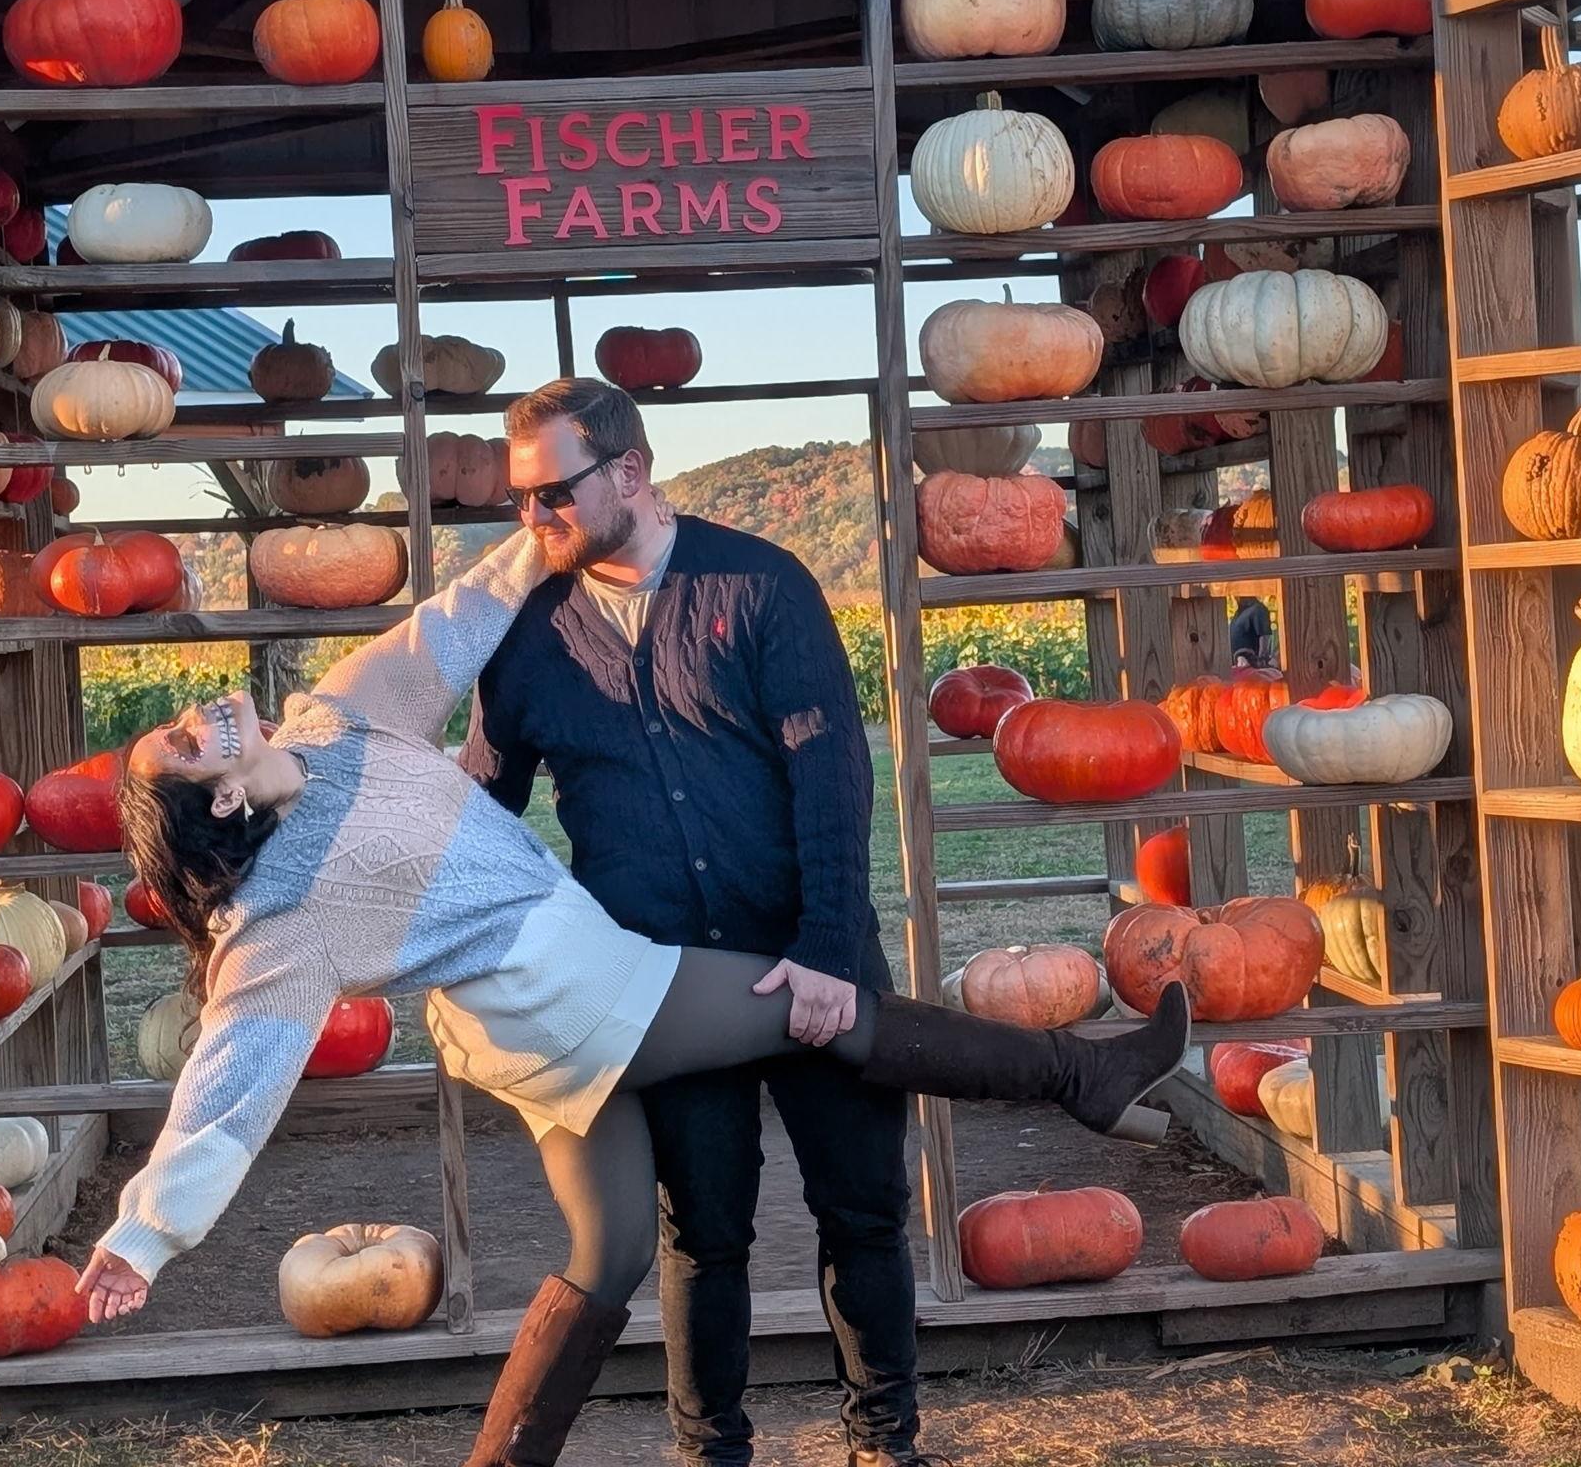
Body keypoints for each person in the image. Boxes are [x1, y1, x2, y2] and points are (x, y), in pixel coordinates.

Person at [74, 530, 1191, 1467]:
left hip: (525, 1019)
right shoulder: (285, 917)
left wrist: (535, 544)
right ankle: (1082, 1073)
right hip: (577, 991)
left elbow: (450, 624)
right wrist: (144, 1234)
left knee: (607, 1252)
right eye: (188, 742)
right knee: (826, 1006)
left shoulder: (337, 720)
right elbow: (231, 1079)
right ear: (223, 796)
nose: (202, 711)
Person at [460, 378, 924, 1467]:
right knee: (703, 1232)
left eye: (552, 494)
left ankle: (885, 1443)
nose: (531, 519)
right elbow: (483, 807)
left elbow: (830, 772)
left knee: (861, 1209)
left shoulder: (759, 584)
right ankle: (709, 1451)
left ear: (629, 471)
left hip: (809, 949)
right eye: (518, 499)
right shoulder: (526, 631)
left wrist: (825, 948)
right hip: (658, 986)